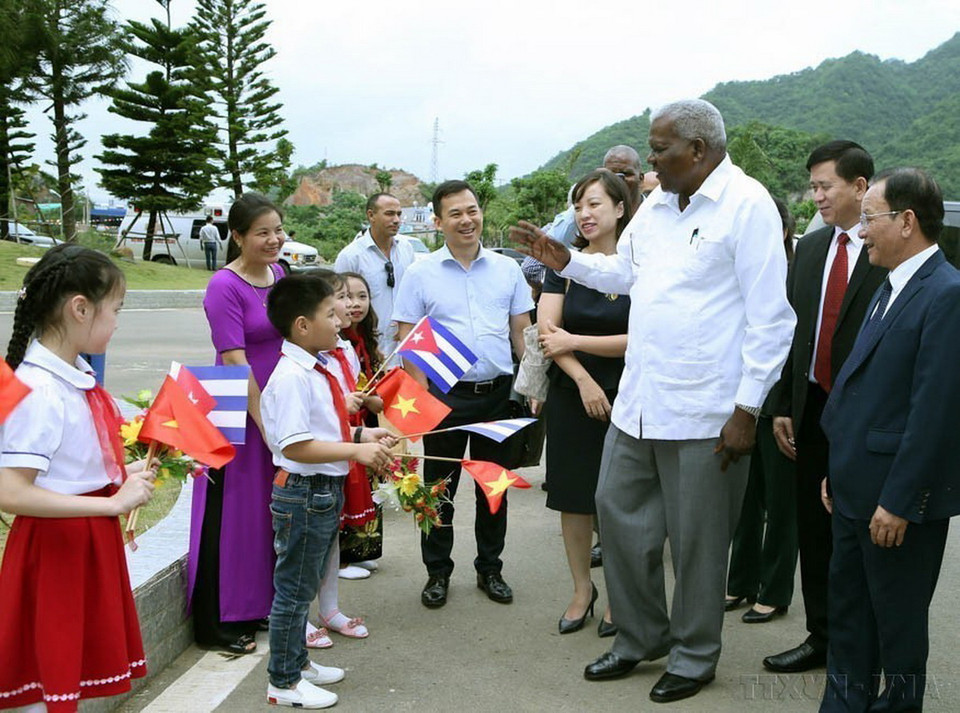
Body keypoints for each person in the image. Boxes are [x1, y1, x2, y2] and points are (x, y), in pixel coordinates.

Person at [512, 98, 795, 703]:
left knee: (696, 542)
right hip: (640, 401)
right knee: (617, 514)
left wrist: (747, 410)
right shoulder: (659, 207)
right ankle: (640, 636)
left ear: (698, 149)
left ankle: (694, 655)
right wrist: (567, 263)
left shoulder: (747, 207)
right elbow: (625, 275)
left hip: (708, 410)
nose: (650, 160)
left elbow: (772, 321)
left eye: (660, 148)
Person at [819, 168, 960, 711]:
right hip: (856, 490)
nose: (861, 231)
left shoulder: (945, 294)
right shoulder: (888, 286)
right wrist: (841, 466)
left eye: (870, 218)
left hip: (895, 503)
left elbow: (936, 413)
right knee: (850, 619)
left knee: (898, 632)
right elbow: (865, 394)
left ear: (906, 221)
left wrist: (899, 500)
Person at [0, 244, 158, 711]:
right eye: (116, 310)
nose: (117, 322)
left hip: (80, 539)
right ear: (80, 308)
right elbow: (11, 491)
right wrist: (111, 503)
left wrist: (127, 474)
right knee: (47, 678)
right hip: (57, 550)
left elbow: (71, 471)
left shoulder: (68, 376)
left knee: (63, 676)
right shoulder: (39, 388)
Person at [763, 141, 887, 674]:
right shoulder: (811, 250)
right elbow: (792, 336)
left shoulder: (887, 253)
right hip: (811, 407)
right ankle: (822, 636)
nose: (815, 196)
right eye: (811, 186)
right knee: (813, 529)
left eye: (825, 186)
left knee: (862, 532)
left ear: (860, 187)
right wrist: (782, 404)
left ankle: (870, 647)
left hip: (865, 416)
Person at [393, 179, 534, 609]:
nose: (466, 219)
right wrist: (417, 409)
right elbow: (408, 343)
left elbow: (522, 333)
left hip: (497, 396)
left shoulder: (508, 269)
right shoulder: (420, 274)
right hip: (444, 397)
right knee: (438, 489)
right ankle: (437, 573)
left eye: (471, 210)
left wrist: (532, 386)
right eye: (455, 213)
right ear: (438, 222)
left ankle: (490, 569)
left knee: (494, 488)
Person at [261, 273, 395, 709]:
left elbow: (324, 430)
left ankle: (298, 666)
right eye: (329, 313)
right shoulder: (291, 377)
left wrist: (361, 438)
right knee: (295, 592)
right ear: (302, 325)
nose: (339, 320)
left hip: (319, 490)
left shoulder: (315, 367)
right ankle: (283, 682)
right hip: (302, 490)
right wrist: (354, 452)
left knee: (304, 584)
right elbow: (296, 444)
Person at [189, 192, 287, 655]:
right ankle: (227, 618)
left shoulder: (281, 275)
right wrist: (264, 420)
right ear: (237, 236)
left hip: (279, 407)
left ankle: (262, 601)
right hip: (239, 411)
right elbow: (234, 360)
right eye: (262, 232)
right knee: (238, 516)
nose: (274, 240)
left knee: (270, 511)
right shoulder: (223, 287)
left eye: (278, 230)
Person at [537, 170, 631, 637]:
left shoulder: (641, 263)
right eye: (578, 206)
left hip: (631, 394)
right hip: (573, 394)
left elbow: (647, 338)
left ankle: (620, 594)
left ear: (620, 208)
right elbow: (547, 333)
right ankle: (581, 590)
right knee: (574, 498)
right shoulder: (563, 264)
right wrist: (584, 381)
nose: (584, 214)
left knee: (619, 500)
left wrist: (578, 343)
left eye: (594, 204)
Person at [725, 198, 799, 623]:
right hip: (741, 401)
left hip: (779, 403)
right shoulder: (742, 271)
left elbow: (792, 344)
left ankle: (773, 590)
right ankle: (739, 582)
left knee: (780, 501)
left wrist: (782, 404)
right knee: (745, 500)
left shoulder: (793, 271)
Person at [340, 272, 386, 572]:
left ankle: (360, 550)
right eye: (346, 297)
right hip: (347, 423)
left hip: (366, 421)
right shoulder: (337, 340)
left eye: (362, 296)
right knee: (348, 487)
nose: (355, 304)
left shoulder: (367, 340)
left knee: (367, 485)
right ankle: (342, 559)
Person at [334, 193, 415, 357]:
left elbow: (414, 293)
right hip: (367, 350)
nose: (396, 220)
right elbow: (338, 306)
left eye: (399, 214)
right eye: (389, 214)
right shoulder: (351, 256)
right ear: (371, 215)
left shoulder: (406, 249)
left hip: (405, 347)